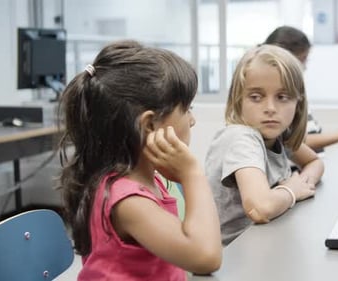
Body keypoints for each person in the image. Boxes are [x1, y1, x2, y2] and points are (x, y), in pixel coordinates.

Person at [58, 40, 222, 280]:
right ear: (149, 124)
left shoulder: (150, 181)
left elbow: (198, 256)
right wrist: (192, 174)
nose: (192, 120)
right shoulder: (127, 200)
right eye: (187, 109)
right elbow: (206, 257)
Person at [205, 44, 325, 246]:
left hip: (261, 244)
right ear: (238, 100)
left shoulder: (277, 134)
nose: (270, 108)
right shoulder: (241, 138)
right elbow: (259, 208)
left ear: (298, 104)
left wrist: (304, 183)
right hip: (229, 258)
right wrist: (291, 191)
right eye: (256, 97)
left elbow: (314, 161)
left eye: (282, 97)